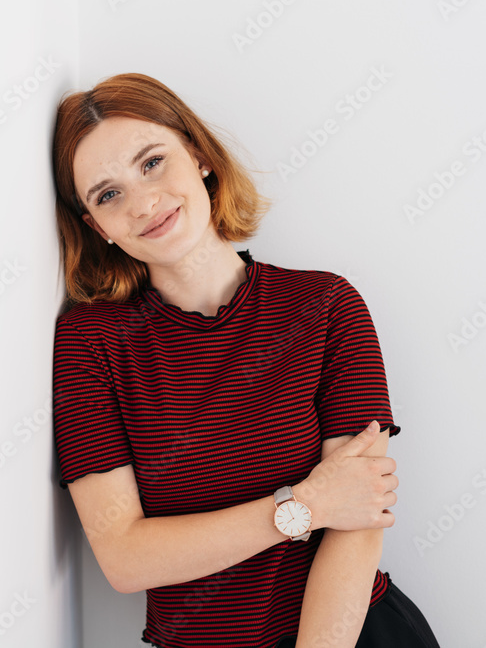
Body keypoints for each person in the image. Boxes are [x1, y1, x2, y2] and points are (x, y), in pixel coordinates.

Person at [49, 72, 441, 648]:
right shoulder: (91, 344)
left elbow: (359, 517)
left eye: (152, 163)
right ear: (96, 227)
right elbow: (125, 559)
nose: (144, 203)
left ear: (200, 157)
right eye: (108, 195)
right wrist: (305, 504)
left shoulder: (325, 305)